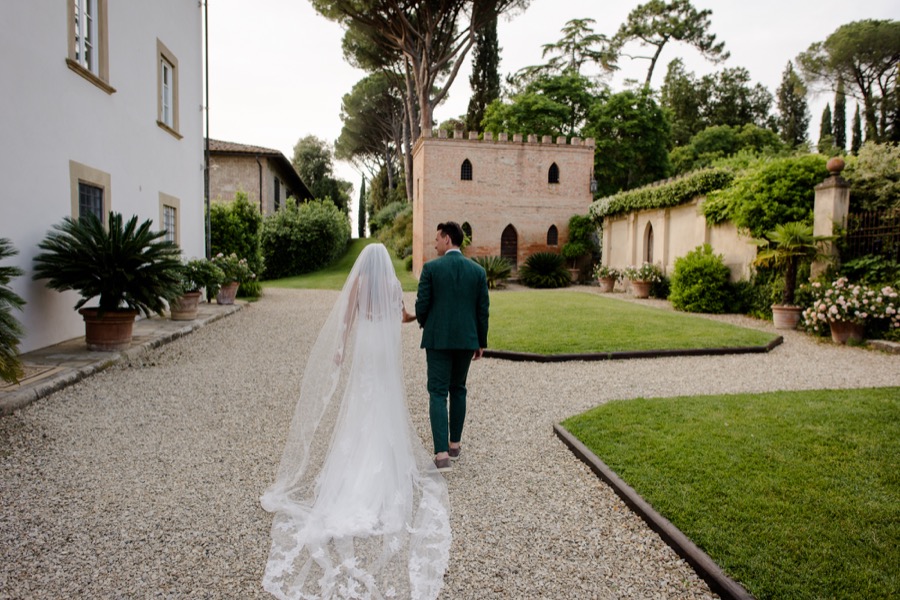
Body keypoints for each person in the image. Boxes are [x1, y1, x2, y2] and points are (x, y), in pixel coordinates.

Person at [260, 244, 450, 600]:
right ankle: (385, 474)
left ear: (366, 263)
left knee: (361, 406)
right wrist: (418, 315)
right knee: (385, 403)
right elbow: (402, 317)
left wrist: (340, 349)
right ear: (387, 264)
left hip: (365, 350)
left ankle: (353, 478)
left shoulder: (360, 282)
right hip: (384, 353)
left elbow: (346, 321)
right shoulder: (393, 285)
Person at [402, 222, 490, 472]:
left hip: (438, 341)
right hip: (466, 341)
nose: (435, 243)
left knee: (438, 392)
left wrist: (421, 318)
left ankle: (441, 456)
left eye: (437, 239)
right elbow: (482, 310)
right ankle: (454, 445)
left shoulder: (431, 268)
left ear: (448, 239)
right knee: (458, 389)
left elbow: (422, 307)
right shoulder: (477, 271)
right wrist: (481, 341)